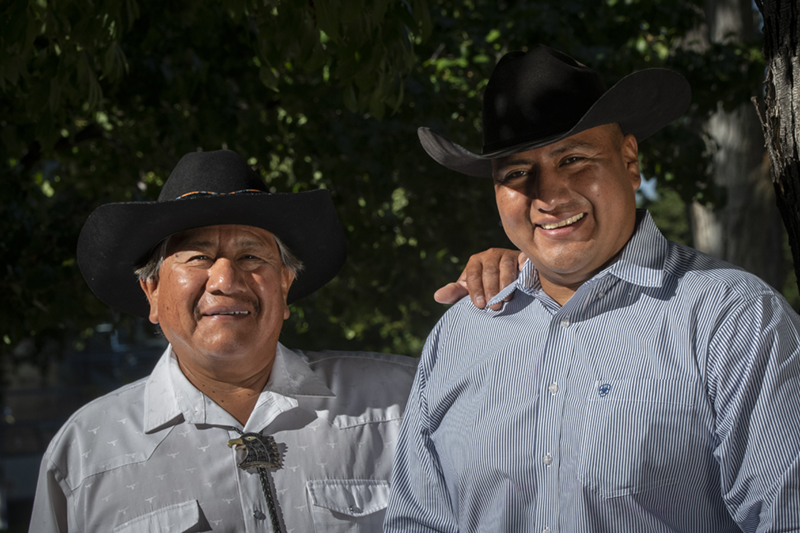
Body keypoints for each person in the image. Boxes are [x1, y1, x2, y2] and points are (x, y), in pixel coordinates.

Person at [384, 45, 800, 532]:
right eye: (518, 173)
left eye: (574, 158)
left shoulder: (731, 319)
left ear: (628, 160)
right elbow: (417, 522)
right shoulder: (460, 333)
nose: (550, 195)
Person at [29, 150, 511, 532]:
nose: (225, 279)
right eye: (197, 257)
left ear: (285, 285)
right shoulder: (87, 454)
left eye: (252, 256)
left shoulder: (402, 405)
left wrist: (532, 294)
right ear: (151, 292)